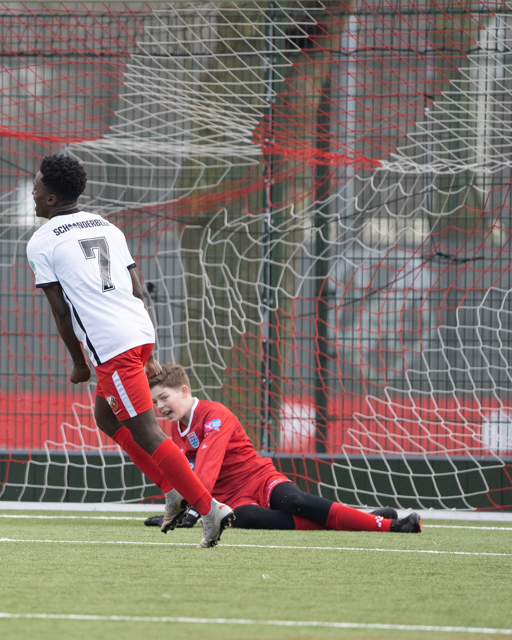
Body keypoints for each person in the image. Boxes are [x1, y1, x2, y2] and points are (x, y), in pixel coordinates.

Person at [25, 154, 235, 548]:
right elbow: (136, 289)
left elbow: (61, 310)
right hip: (138, 332)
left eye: (35, 189)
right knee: (106, 417)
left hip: (113, 346)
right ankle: (171, 490)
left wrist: (79, 362)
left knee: (148, 433)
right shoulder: (106, 226)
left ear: (51, 198)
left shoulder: (42, 241)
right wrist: (148, 351)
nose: (32, 194)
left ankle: (209, 509)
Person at [148, 364, 422, 534]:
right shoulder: (177, 429)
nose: (160, 407)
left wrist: (195, 509)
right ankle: (363, 518)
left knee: (295, 501)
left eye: (164, 398)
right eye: (155, 403)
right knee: (244, 517)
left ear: (184, 391)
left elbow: (208, 466)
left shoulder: (215, 414)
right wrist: (178, 511)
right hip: (230, 497)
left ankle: (392, 526)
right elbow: (187, 475)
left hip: (259, 478)